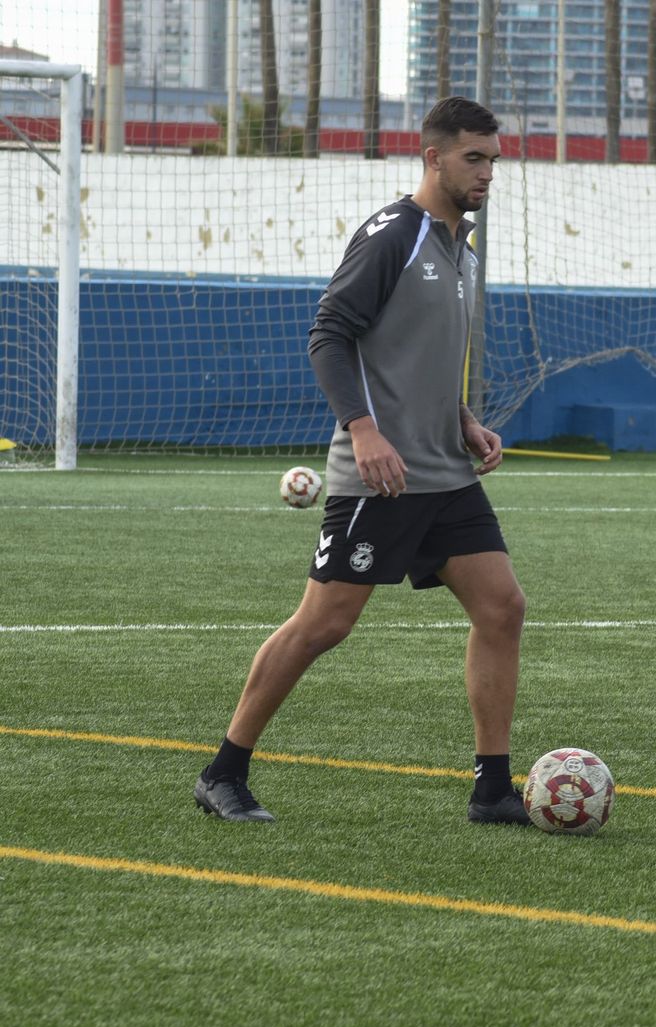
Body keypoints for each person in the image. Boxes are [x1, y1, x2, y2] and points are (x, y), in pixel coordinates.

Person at [193, 96, 531, 826]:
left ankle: (492, 789)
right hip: (380, 475)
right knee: (324, 625)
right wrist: (363, 430)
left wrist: (464, 420)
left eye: (493, 160)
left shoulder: (464, 250)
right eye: (474, 158)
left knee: (502, 608)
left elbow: (417, 355)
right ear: (433, 157)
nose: (487, 173)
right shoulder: (393, 236)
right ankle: (223, 772)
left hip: (445, 472)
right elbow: (330, 334)